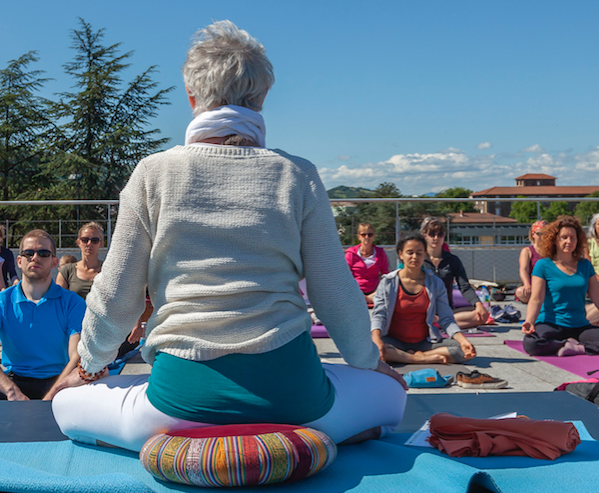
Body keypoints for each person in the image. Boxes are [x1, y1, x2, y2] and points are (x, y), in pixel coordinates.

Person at [46, 21, 406, 453]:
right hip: (294, 398)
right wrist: (370, 365)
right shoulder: (298, 175)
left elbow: (118, 295)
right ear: (263, 97)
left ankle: (191, 438)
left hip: (179, 402)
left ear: (192, 97)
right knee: (393, 399)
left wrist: (87, 367)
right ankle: (326, 431)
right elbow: (334, 291)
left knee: (65, 406)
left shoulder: (154, 173)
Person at [0, 230, 86, 401]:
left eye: (43, 253)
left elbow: (76, 356)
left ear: (54, 262)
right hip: (16, 379)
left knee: (93, 387)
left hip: (59, 378)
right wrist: (12, 392)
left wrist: (53, 394)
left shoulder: (73, 302)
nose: (35, 257)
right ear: (19, 261)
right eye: (28, 253)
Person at [521, 216, 599, 357]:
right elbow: (536, 299)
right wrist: (529, 321)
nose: (569, 241)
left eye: (573, 238)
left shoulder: (585, 265)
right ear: (554, 239)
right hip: (551, 324)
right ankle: (565, 344)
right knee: (531, 343)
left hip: (580, 327)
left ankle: (580, 348)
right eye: (564, 237)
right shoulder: (543, 265)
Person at [371, 234, 477, 365]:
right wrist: (376, 339)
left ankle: (418, 356)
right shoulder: (388, 283)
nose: (414, 257)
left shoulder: (435, 283)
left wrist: (462, 340)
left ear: (425, 254)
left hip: (425, 343)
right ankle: (417, 359)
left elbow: (446, 318)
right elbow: (379, 315)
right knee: (370, 349)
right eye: (410, 252)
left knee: (464, 351)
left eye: (419, 253)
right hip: (394, 341)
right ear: (401, 254)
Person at [420, 217, 490, 331]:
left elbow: (465, 287)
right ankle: (442, 322)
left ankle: (437, 322)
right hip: (424, 309)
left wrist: (478, 304)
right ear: (425, 235)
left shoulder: (452, 260)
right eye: (432, 234)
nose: (436, 238)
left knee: (480, 316)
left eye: (440, 234)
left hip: (446, 309)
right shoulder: (419, 259)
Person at [56, 222, 105, 300]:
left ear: (101, 243)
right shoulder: (67, 271)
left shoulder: (107, 271)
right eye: (85, 240)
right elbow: (58, 302)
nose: (89, 243)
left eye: (94, 240)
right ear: (79, 242)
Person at [345, 222, 390, 308]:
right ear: (359, 236)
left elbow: (386, 275)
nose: (367, 237)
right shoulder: (351, 254)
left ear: (374, 236)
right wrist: (361, 296)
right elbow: (345, 277)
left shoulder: (380, 253)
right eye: (363, 234)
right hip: (356, 292)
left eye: (370, 234)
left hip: (376, 292)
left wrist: (376, 293)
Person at [515, 220, 546, 303]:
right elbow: (523, 269)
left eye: (545, 233)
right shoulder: (528, 251)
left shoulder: (552, 251)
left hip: (549, 285)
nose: (542, 236)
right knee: (520, 292)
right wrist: (527, 284)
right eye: (539, 234)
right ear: (533, 234)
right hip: (533, 286)